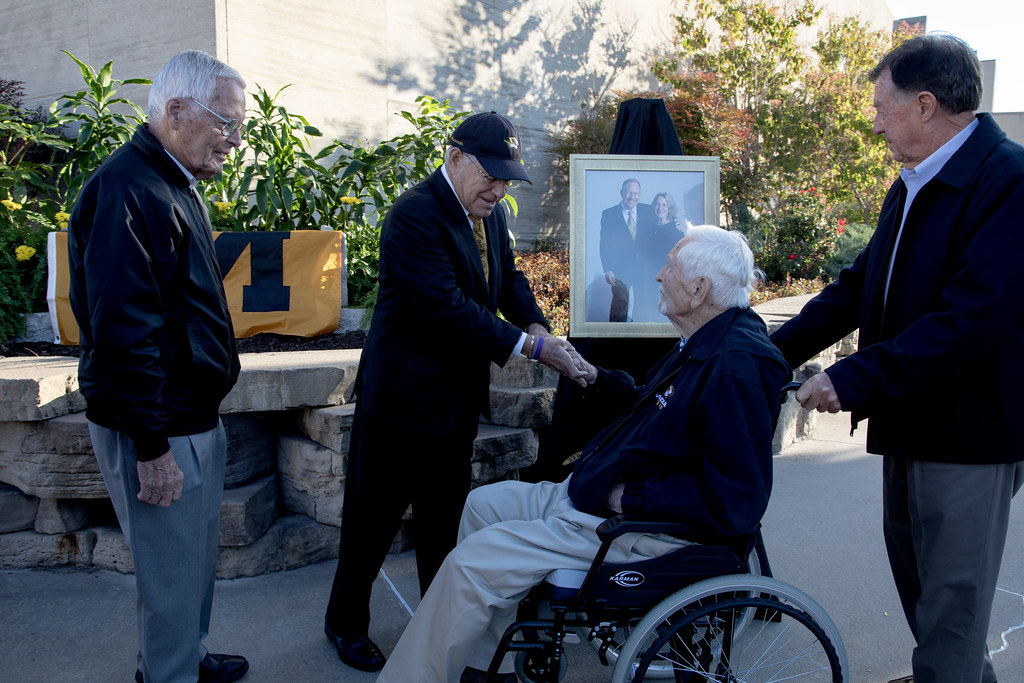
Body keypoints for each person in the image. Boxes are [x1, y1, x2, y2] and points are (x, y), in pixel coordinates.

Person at [377, 226, 790, 682]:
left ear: (699, 289)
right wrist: (594, 376)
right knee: (481, 504)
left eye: (670, 266)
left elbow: (735, 500)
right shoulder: (706, 340)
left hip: (640, 528)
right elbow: (650, 402)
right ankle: (488, 664)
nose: (658, 275)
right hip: (594, 495)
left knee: (469, 566)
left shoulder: (736, 369)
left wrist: (628, 500)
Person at [770, 34, 1024, 683]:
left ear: (926, 104)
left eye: (883, 107)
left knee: (952, 604)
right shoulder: (913, 181)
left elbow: (969, 318)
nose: (876, 121)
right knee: (924, 593)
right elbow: (862, 285)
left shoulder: (1008, 181)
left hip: (969, 432)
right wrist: (769, 350)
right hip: (910, 417)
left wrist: (855, 377)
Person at [323, 111, 586, 672]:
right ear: (455, 156)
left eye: (508, 178)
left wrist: (536, 322)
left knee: (445, 521)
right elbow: (447, 307)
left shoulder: (486, 213)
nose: (499, 188)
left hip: (454, 399)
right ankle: (344, 623)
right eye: (491, 174)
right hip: (400, 401)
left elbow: (507, 279)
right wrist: (532, 348)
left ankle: (438, 621)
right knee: (374, 519)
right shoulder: (415, 216)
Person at [67, 50, 249, 683]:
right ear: (175, 110)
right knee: (169, 575)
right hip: (159, 426)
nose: (235, 140)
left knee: (191, 563)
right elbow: (123, 335)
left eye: (240, 127)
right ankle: (168, 673)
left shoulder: (169, 180)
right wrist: (151, 447)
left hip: (186, 416)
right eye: (226, 123)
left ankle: (185, 658)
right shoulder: (128, 191)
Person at [599, 178, 658, 322]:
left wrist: (679, 223)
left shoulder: (649, 210)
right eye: (629, 193)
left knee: (643, 305)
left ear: (640, 194)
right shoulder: (609, 214)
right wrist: (608, 269)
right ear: (621, 193)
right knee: (620, 303)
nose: (632, 197)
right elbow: (604, 243)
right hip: (620, 269)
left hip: (644, 268)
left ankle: (639, 338)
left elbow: (664, 220)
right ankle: (615, 337)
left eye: (636, 193)